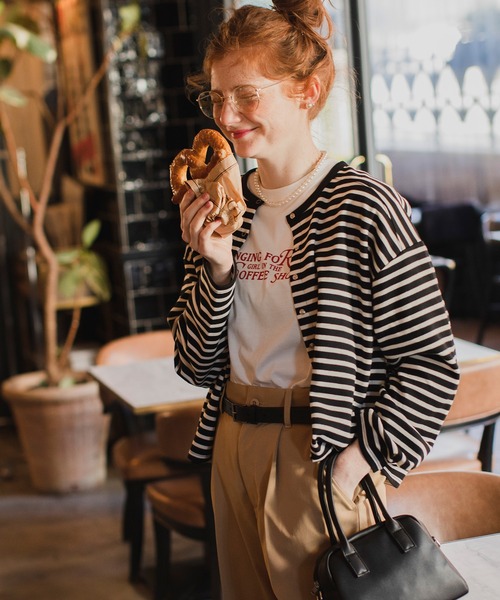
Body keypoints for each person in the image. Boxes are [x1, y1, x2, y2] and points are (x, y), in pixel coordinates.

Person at [167, 1, 460, 598]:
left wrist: (358, 461)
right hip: (230, 445)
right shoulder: (223, 205)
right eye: (217, 98)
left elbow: (432, 364)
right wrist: (217, 268)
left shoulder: (364, 208)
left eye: (247, 95)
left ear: (307, 91)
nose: (227, 116)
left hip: (319, 453)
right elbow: (193, 365)